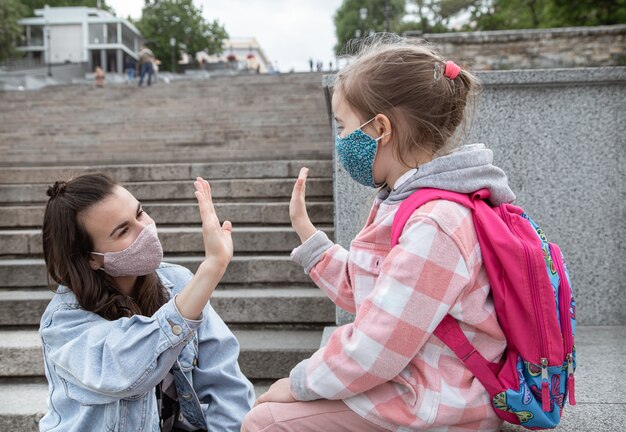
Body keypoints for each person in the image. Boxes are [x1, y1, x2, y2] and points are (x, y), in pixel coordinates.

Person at [243, 35, 513, 431]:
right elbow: (369, 295)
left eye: (343, 126)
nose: (340, 141)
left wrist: (299, 383)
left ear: (380, 128)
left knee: (264, 422)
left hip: (441, 402)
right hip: (425, 384)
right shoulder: (407, 204)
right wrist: (308, 233)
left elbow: (378, 345)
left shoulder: (435, 223)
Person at [39, 173, 254, 431]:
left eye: (139, 214)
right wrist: (210, 270)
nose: (146, 230)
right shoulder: (63, 323)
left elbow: (226, 385)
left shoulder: (179, 282)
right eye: (123, 230)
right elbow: (126, 372)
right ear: (90, 258)